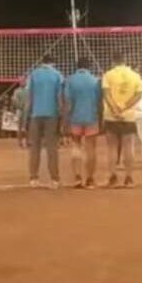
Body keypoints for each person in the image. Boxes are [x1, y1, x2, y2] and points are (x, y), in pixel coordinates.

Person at [101, 52, 142, 188]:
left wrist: (115, 109)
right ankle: (129, 178)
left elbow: (106, 94)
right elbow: (138, 95)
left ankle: (113, 177)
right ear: (125, 61)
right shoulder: (135, 76)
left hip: (111, 116)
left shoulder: (108, 75)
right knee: (129, 147)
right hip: (129, 116)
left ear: (113, 62)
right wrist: (124, 107)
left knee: (112, 148)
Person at [63, 57, 102, 188]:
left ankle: (77, 177)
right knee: (91, 149)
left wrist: (65, 120)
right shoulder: (95, 81)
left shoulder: (70, 80)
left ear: (77, 66)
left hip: (75, 117)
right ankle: (90, 178)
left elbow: (68, 102)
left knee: (76, 146)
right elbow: (99, 101)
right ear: (89, 67)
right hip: (91, 117)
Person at [26, 54, 63, 189]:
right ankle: (54, 179)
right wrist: (61, 114)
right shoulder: (57, 75)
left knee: (34, 148)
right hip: (51, 114)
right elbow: (59, 97)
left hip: (35, 114)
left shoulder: (33, 74)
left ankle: (33, 178)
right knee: (52, 147)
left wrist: (27, 116)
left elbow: (29, 98)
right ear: (53, 63)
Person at [11, 80, 28, 148]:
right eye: (22, 82)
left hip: (26, 110)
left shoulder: (28, 90)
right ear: (19, 83)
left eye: (24, 82)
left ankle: (27, 141)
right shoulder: (17, 91)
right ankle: (20, 142)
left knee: (26, 127)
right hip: (20, 110)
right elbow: (14, 100)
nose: (23, 83)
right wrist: (19, 106)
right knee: (20, 127)